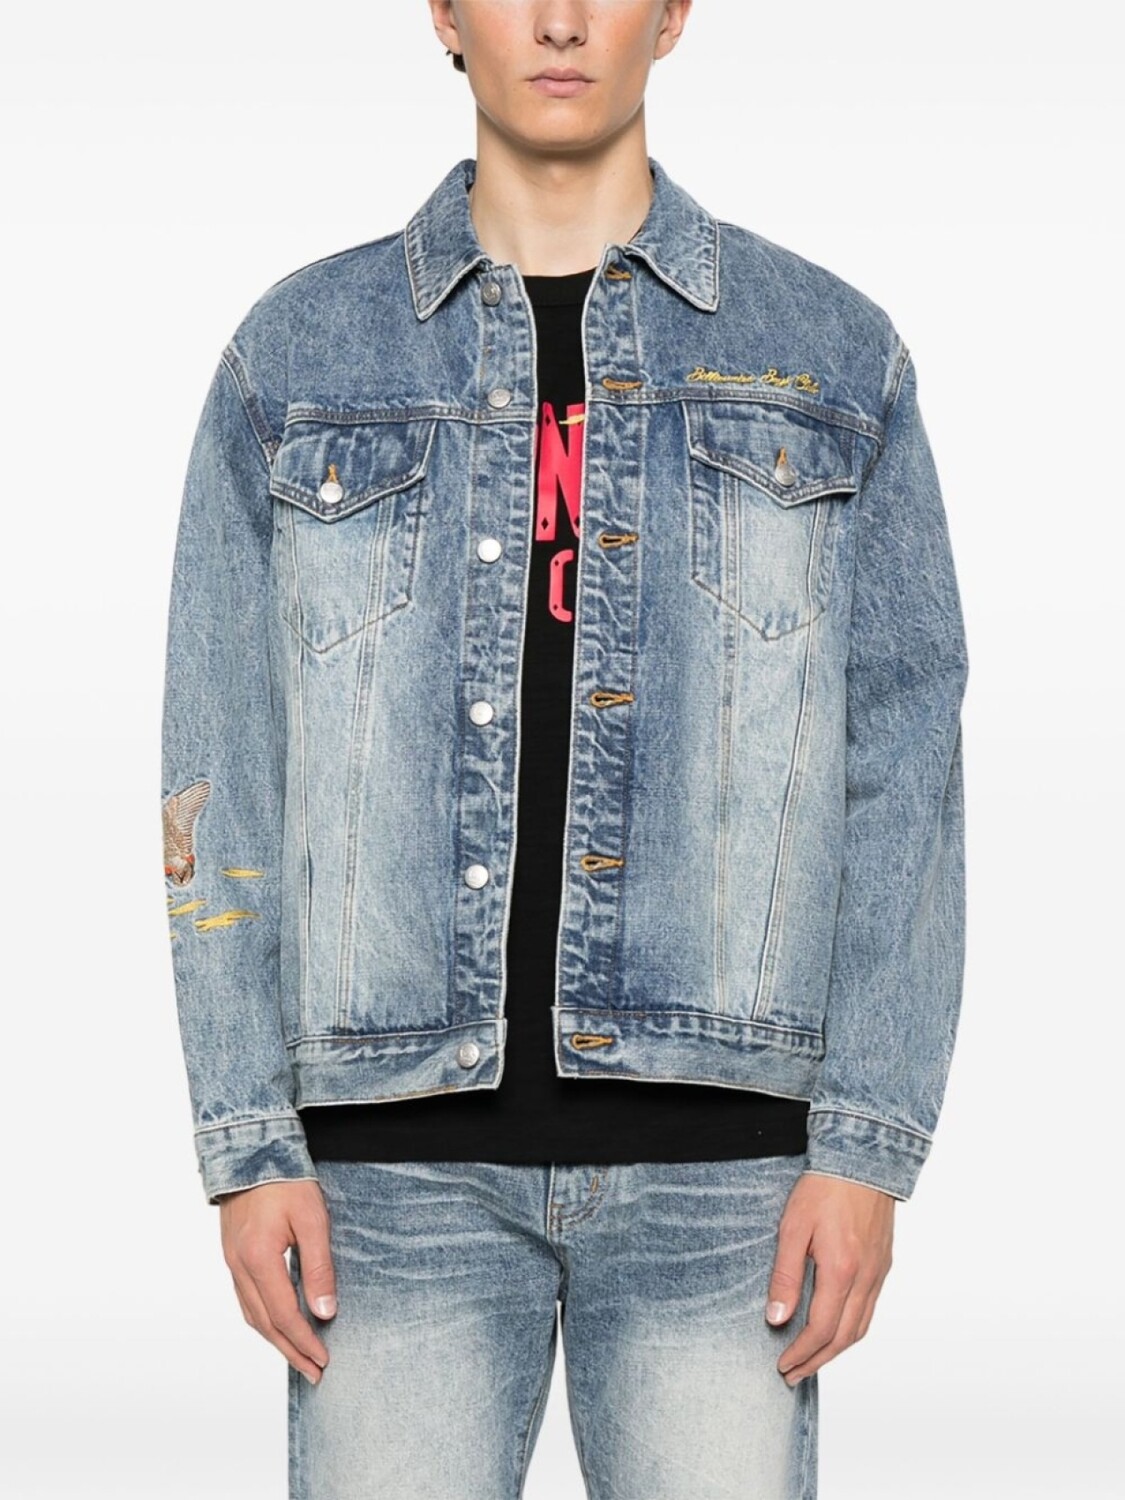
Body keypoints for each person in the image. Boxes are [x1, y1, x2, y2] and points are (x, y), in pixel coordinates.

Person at [160, 2, 969, 1494]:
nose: (555, 19)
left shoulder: (830, 356)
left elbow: (902, 770)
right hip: (387, 1179)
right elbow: (222, 768)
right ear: (441, 13)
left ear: (671, 14)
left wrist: (865, 1144)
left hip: (726, 1183)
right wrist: (247, 1141)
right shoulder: (298, 357)